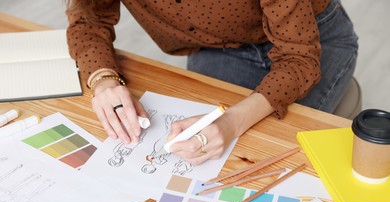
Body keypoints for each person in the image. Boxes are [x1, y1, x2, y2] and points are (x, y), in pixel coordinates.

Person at [66, 0, 358, 165]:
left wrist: (232, 122)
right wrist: (103, 79)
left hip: (312, 39)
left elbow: (299, 58)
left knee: (267, 154)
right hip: (222, 47)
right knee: (210, 159)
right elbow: (89, 18)